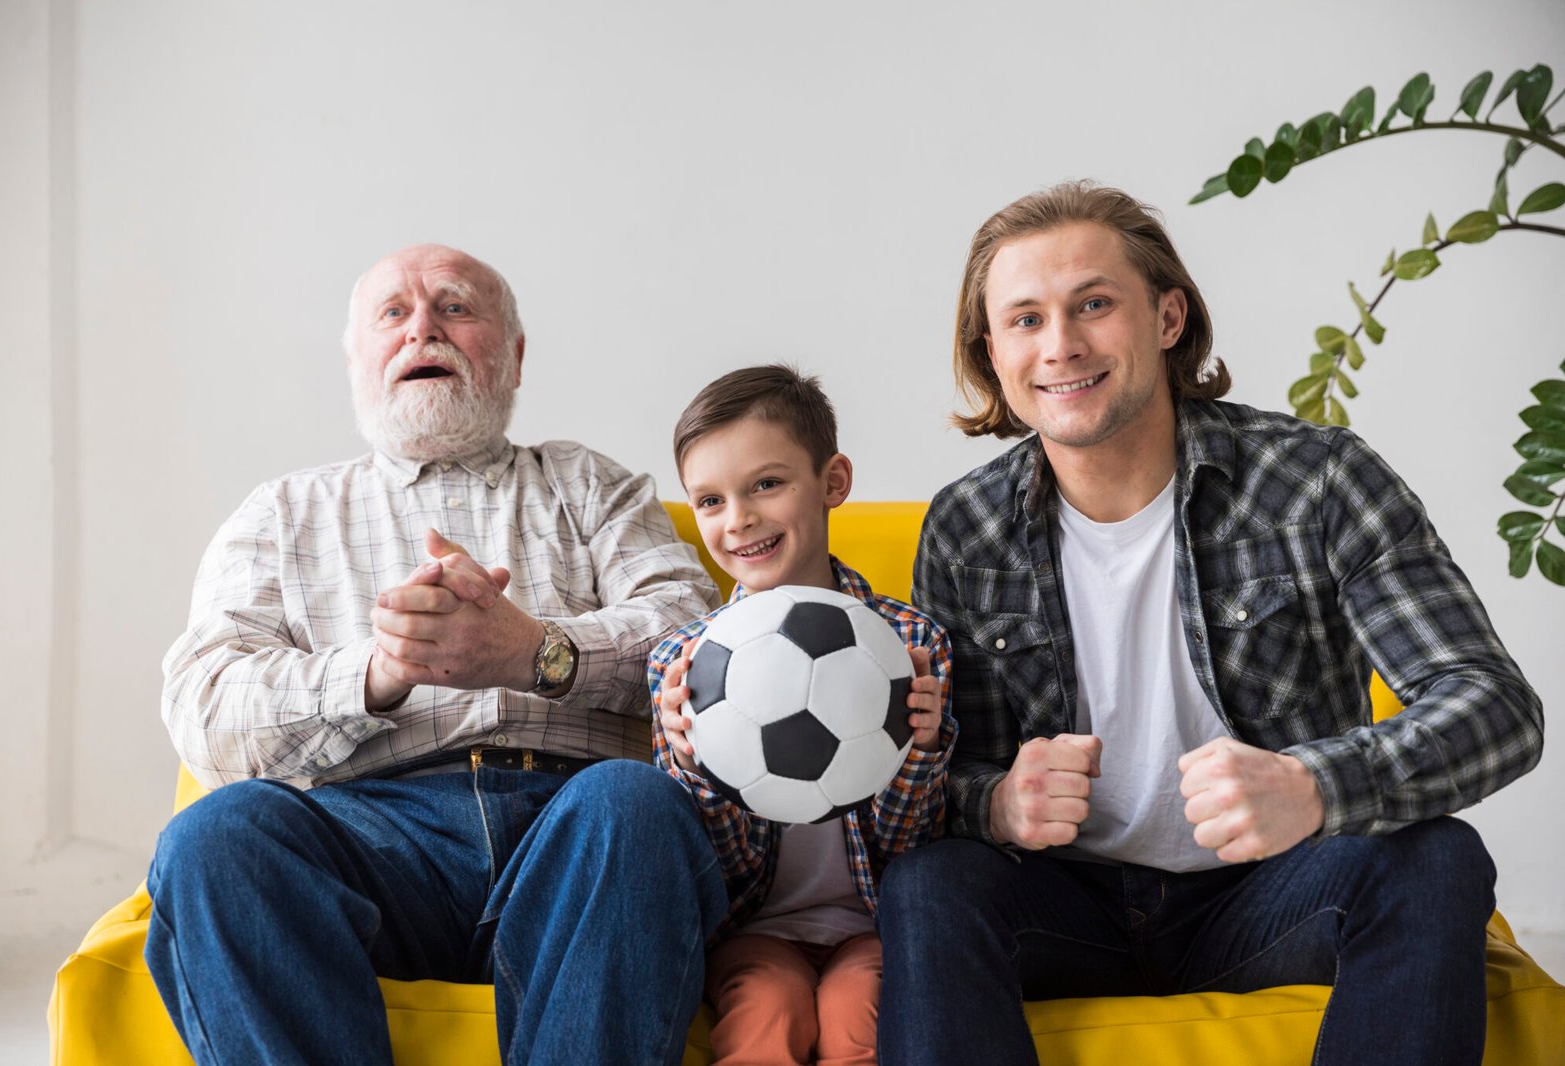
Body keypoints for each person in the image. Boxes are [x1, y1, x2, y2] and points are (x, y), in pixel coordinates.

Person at [876, 183, 1544, 1066]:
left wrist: (1316, 785)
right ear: (992, 353)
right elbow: (941, 776)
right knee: (930, 882)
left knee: (1434, 857)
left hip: (1272, 893)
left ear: (1167, 316)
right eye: (1025, 320)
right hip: (1065, 906)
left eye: (1094, 305)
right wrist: (995, 804)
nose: (1062, 345)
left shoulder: (1316, 481)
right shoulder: (965, 529)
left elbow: (1496, 705)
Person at [145, 243, 729, 1066]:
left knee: (633, 805)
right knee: (215, 839)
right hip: (367, 836)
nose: (424, 327)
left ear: (515, 355)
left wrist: (534, 652)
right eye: (393, 314)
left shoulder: (591, 484)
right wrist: (377, 674)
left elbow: (697, 644)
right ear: (357, 363)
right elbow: (206, 711)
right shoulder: (280, 511)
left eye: (456, 307)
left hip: (571, 826)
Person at [649, 364, 956, 1066]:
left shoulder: (911, 644)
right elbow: (710, 869)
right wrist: (688, 757)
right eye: (710, 501)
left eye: (766, 484)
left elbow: (914, 852)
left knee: (857, 1020)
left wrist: (923, 749)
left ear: (833, 483)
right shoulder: (681, 662)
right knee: (765, 1015)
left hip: (873, 924)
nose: (740, 520)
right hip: (756, 926)